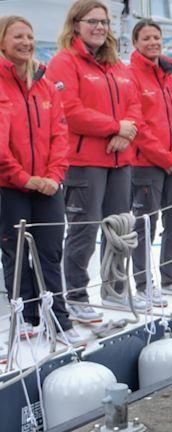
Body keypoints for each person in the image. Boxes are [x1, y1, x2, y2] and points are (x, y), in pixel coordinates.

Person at [47, 0, 141, 322]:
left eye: (104, 21)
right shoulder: (64, 62)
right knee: (83, 231)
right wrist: (116, 127)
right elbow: (69, 112)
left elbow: (135, 106)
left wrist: (127, 133)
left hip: (120, 161)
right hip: (84, 163)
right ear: (75, 24)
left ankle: (113, 291)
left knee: (118, 230)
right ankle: (75, 295)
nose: (100, 27)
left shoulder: (118, 65)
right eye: (92, 21)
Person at [0, 16, 83, 345]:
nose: (26, 41)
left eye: (30, 35)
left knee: (50, 253)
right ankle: (25, 315)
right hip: (10, 188)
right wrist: (26, 179)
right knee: (16, 255)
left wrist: (52, 176)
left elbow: (60, 136)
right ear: (3, 43)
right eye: (17, 36)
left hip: (48, 186)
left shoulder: (46, 86)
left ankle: (58, 319)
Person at [128, 19, 172, 308]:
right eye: (146, 38)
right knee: (146, 227)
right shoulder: (130, 75)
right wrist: (166, 158)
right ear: (135, 43)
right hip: (146, 165)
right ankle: (144, 285)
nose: (153, 42)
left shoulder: (171, 76)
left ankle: (171, 277)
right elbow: (138, 126)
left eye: (156, 37)